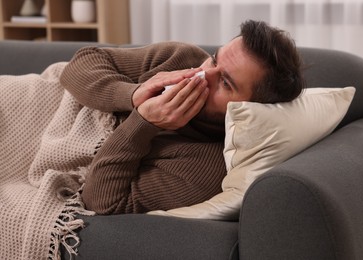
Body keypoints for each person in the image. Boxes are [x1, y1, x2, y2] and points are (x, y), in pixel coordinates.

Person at [59, 20, 305, 215]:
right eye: (214, 59)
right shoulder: (184, 58)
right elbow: (83, 62)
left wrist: (144, 122)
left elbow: (101, 202)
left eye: (225, 83)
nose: (202, 74)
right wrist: (132, 95)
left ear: (251, 110)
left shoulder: (204, 166)